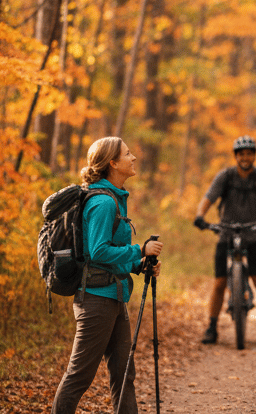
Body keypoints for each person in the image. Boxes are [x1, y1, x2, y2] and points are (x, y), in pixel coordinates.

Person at [52, 137, 164, 414]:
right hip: (96, 301)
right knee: (79, 377)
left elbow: (110, 253)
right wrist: (139, 248)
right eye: (127, 153)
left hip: (113, 297)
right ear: (112, 163)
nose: (134, 157)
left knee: (124, 374)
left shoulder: (114, 198)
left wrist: (139, 264)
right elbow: (98, 252)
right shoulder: (103, 202)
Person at [193, 135, 256, 344]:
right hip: (226, 234)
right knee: (219, 283)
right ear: (236, 156)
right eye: (241, 154)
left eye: (249, 153)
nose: (245, 157)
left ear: (254, 156)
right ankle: (212, 327)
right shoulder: (225, 176)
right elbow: (209, 197)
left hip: (253, 235)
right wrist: (200, 216)